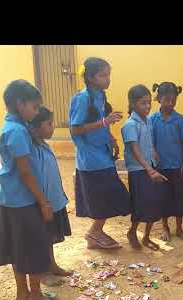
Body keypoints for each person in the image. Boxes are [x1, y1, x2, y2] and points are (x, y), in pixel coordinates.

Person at [0, 80, 65, 300]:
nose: (37, 112)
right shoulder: (18, 132)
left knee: (19, 249)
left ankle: (23, 295)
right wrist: (43, 201)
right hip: (24, 201)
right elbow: (25, 170)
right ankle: (35, 297)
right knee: (34, 248)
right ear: (20, 104)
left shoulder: (12, 126)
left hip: (9, 199)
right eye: (34, 107)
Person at [69, 57, 130, 250]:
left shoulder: (100, 96)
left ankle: (96, 233)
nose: (108, 79)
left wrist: (110, 138)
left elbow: (100, 123)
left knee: (110, 196)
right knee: (105, 196)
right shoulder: (82, 99)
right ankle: (94, 232)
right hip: (90, 158)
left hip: (102, 154)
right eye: (103, 75)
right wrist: (105, 122)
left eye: (108, 74)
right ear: (90, 77)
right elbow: (75, 129)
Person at [30, 107, 73, 285]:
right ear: (35, 127)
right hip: (42, 202)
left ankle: (52, 265)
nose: (52, 127)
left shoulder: (43, 145)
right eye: (49, 124)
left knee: (48, 237)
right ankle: (43, 274)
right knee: (40, 239)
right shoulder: (32, 149)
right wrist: (43, 202)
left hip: (52, 200)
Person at [121, 85, 167, 251]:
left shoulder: (148, 121)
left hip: (150, 167)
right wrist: (149, 169)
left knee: (153, 204)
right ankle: (132, 232)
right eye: (143, 103)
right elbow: (135, 149)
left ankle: (147, 236)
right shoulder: (130, 125)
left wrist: (154, 152)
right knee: (140, 205)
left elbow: (148, 142)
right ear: (133, 104)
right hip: (139, 171)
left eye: (149, 103)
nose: (147, 106)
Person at [150, 82, 183, 242]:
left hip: (177, 166)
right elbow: (150, 142)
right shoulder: (153, 119)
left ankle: (179, 228)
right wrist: (154, 152)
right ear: (159, 99)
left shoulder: (180, 120)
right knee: (163, 198)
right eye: (167, 99)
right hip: (161, 168)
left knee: (180, 198)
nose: (170, 103)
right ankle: (165, 227)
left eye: (174, 100)